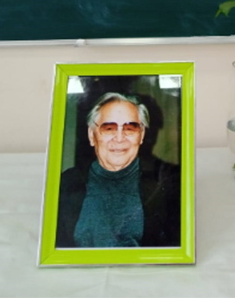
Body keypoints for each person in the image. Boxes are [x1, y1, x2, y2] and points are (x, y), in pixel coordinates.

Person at [56, 92, 181, 248]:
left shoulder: (168, 187)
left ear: (141, 135)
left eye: (130, 128)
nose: (120, 138)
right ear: (92, 135)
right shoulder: (64, 185)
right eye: (109, 128)